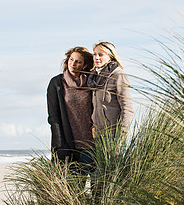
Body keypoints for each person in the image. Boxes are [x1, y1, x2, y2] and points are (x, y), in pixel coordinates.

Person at [47, 46, 95, 174]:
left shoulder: (91, 83)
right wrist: (59, 144)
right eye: (71, 59)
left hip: (89, 144)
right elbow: (53, 117)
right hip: (67, 144)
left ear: (85, 65)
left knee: (89, 183)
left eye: (78, 61)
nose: (73, 64)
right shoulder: (57, 83)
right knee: (71, 187)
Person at [87, 41, 134, 137]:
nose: (96, 58)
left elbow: (127, 109)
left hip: (113, 136)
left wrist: (120, 137)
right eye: (94, 54)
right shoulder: (94, 77)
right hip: (98, 135)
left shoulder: (118, 75)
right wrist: (93, 127)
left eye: (101, 55)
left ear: (110, 56)